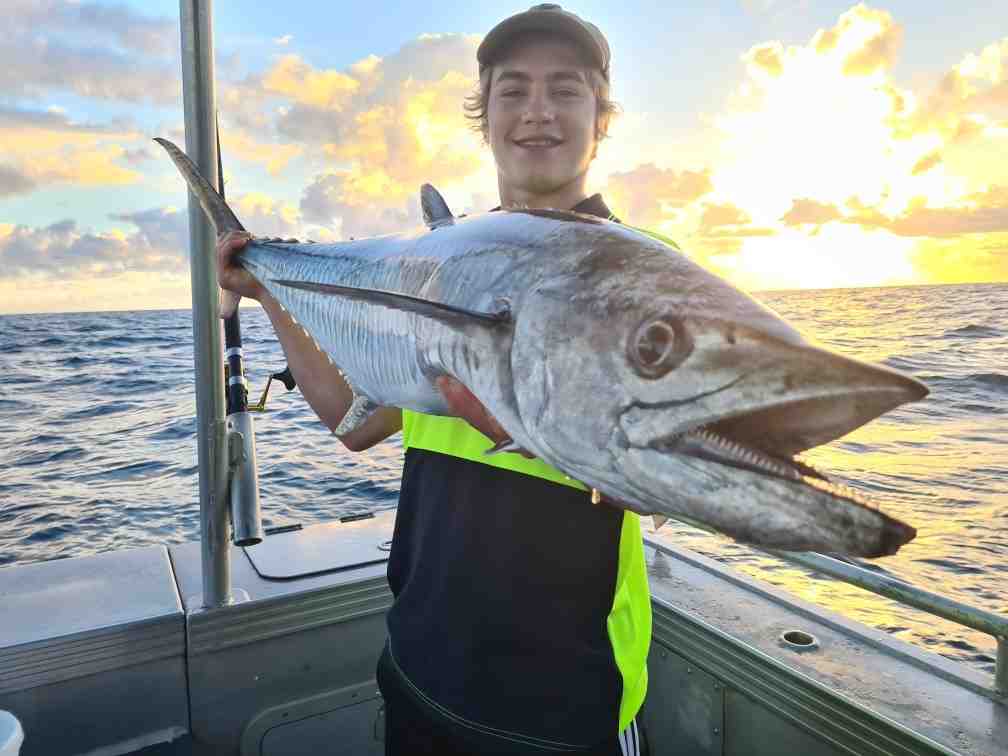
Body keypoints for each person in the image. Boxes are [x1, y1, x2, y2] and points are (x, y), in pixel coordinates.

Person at [217, 6, 673, 754]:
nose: (537, 113)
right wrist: (271, 294)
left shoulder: (646, 275)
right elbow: (355, 424)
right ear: (484, 115)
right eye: (512, 91)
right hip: (420, 670)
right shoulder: (438, 268)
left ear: (602, 116)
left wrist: (539, 433)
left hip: (569, 698)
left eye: (566, 90)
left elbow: (665, 480)